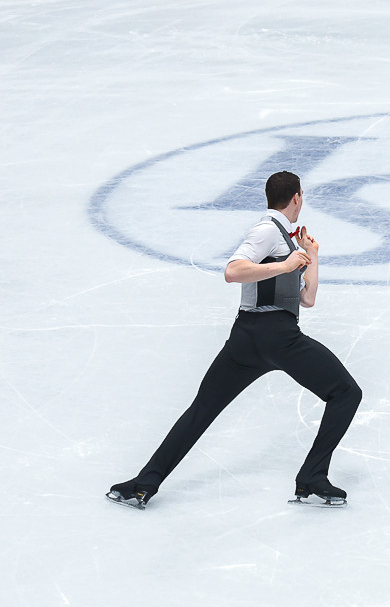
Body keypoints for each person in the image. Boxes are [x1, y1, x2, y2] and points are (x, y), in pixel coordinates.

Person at [106, 171, 362, 509]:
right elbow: (233, 270)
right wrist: (285, 265)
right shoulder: (266, 231)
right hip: (277, 337)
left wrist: (310, 256)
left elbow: (307, 300)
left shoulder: (287, 240)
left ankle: (144, 483)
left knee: (201, 410)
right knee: (346, 392)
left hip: (248, 339)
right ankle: (312, 477)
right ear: (297, 197)